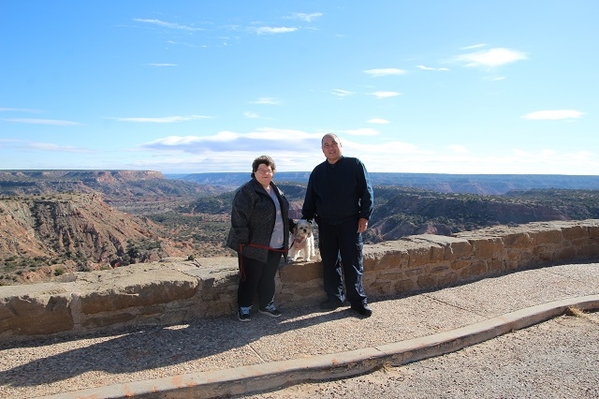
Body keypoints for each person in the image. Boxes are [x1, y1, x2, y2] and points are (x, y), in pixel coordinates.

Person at [302, 134, 374, 317]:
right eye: (326, 145)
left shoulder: (355, 165)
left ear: (341, 145)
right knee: (330, 262)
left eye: (334, 143)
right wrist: (305, 220)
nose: (331, 147)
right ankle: (334, 297)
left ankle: (358, 301)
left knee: (352, 262)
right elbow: (310, 198)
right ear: (322, 150)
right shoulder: (318, 172)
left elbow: (367, 192)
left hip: (350, 223)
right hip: (326, 224)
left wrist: (364, 216)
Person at [226, 155, 293, 322]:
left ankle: (266, 304)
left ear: (273, 173)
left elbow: (281, 215)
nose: (265, 173)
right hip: (253, 244)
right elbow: (238, 217)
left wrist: (292, 226)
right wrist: (244, 240)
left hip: (275, 243)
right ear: (254, 172)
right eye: (261, 170)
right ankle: (244, 307)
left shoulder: (276, 190)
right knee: (250, 276)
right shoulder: (247, 192)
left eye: (268, 170)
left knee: (268, 276)